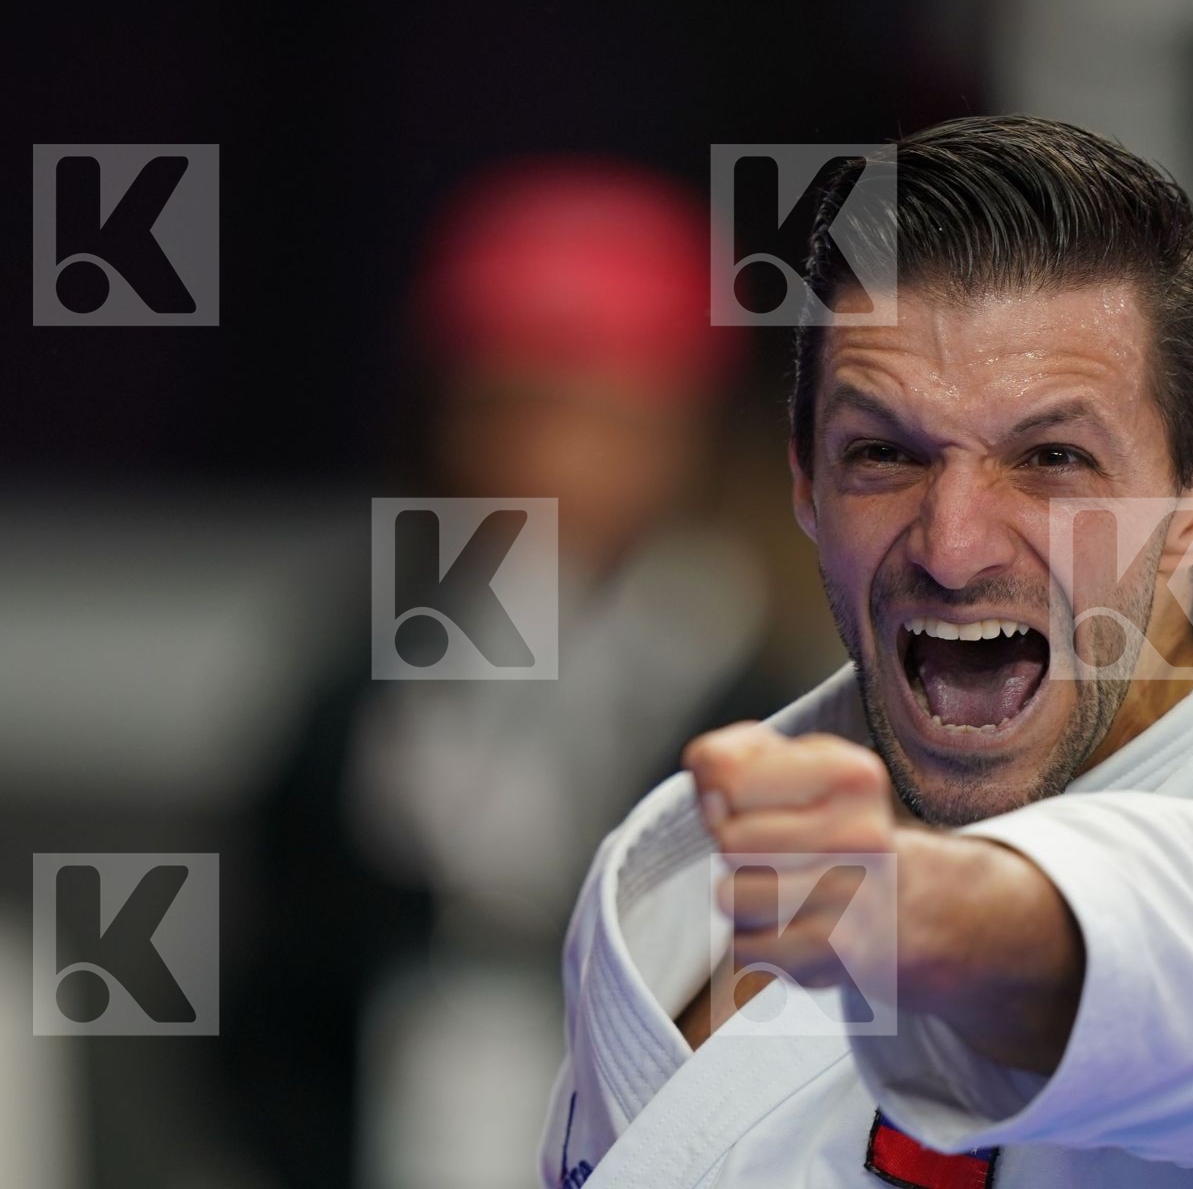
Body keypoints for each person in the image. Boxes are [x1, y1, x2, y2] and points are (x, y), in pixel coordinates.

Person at [538, 116, 1193, 1187]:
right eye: (883, 453)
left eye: (1051, 457)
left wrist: (940, 915)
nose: (952, 547)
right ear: (805, 481)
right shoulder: (690, 863)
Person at [222, 157, 785, 1189]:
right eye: (515, 408)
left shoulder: (750, 678)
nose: (555, 459)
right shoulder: (379, 657)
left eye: (610, 417)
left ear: (689, 434)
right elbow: (280, 965)